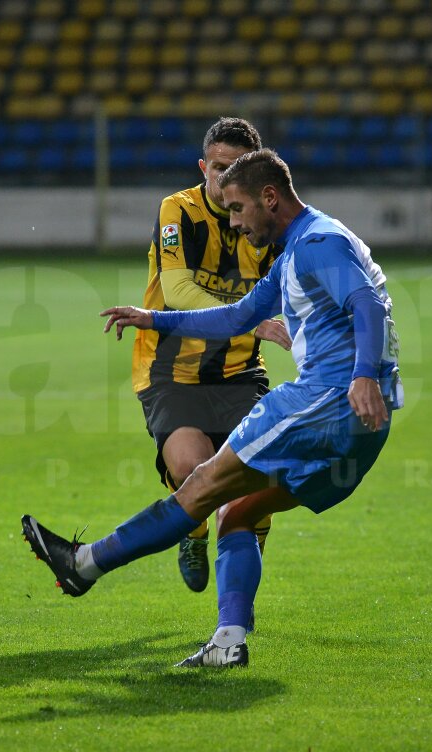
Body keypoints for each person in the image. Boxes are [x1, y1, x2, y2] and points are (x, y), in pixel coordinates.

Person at [22, 149, 402, 668]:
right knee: (240, 513)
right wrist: (151, 319)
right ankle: (228, 642)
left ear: (271, 197)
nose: (237, 222)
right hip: (364, 429)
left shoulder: (316, 244)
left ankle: (83, 565)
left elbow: (368, 303)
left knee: (200, 485)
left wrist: (362, 376)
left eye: (241, 209)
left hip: (324, 401)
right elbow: (239, 316)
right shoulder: (300, 247)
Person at [134, 116, 290, 592]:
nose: (223, 180)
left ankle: (239, 594)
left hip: (241, 371)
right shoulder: (177, 211)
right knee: (191, 467)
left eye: (234, 169)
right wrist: (249, 318)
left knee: (253, 482)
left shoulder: (265, 222)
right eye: (216, 168)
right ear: (203, 166)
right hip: (171, 371)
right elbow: (179, 290)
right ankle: (194, 531)